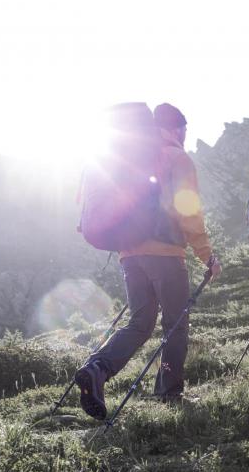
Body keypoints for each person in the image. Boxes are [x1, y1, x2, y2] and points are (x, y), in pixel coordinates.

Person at [75, 103, 222, 419]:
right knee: (175, 324)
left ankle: (97, 369)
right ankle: (169, 392)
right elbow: (189, 211)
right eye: (183, 128)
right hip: (165, 255)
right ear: (175, 128)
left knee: (140, 323)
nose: (184, 135)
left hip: (129, 255)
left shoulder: (129, 157)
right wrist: (207, 255)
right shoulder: (176, 158)